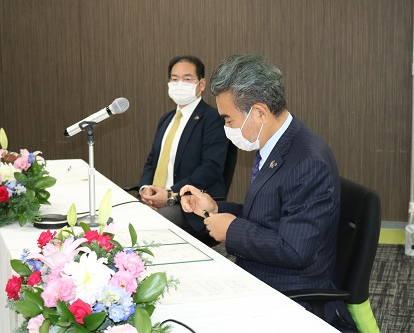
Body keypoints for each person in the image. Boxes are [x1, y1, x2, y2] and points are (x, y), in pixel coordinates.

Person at [179, 53, 356, 329]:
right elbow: (268, 214)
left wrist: (232, 230)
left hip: (291, 292)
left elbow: (296, 251)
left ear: (259, 113)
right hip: (260, 272)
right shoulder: (274, 142)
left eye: (228, 119)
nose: (225, 128)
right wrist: (216, 209)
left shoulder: (308, 162)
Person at [139, 55, 228, 244]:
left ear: (201, 84)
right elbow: (152, 160)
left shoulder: (213, 119)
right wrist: (146, 188)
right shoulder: (166, 119)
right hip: (158, 199)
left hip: (188, 205)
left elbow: (210, 168)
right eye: (174, 78)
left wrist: (171, 194)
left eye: (187, 79)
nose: (179, 84)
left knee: (150, 229)